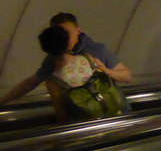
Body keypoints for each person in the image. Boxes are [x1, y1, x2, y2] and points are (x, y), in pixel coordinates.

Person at [0, 12, 132, 106]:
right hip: (86, 120)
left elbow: (127, 76)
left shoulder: (97, 50)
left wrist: (107, 71)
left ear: (78, 31)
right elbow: (31, 82)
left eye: (66, 33)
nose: (64, 38)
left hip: (115, 112)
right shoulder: (54, 60)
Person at [38, 24, 128, 121]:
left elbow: (62, 116)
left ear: (46, 50)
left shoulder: (53, 82)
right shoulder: (88, 59)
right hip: (115, 116)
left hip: (90, 127)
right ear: (67, 43)